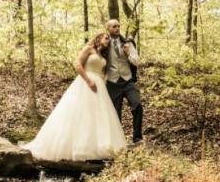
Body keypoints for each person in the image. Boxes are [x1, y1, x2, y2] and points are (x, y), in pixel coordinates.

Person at [22, 33, 127, 161]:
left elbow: (104, 71)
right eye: (106, 38)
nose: (108, 40)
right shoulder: (89, 48)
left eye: (109, 39)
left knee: (98, 115)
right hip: (85, 82)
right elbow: (77, 64)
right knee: (79, 113)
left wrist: (102, 81)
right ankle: (75, 148)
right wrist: (88, 81)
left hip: (99, 86)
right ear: (98, 38)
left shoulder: (103, 54)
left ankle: (100, 146)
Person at [104, 19, 143, 144]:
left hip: (128, 81)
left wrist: (128, 54)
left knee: (137, 105)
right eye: (114, 26)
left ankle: (137, 137)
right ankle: (118, 141)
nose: (117, 28)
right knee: (115, 113)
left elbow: (137, 61)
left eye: (118, 26)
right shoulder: (104, 44)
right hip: (112, 82)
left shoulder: (128, 43)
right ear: (108, 29)